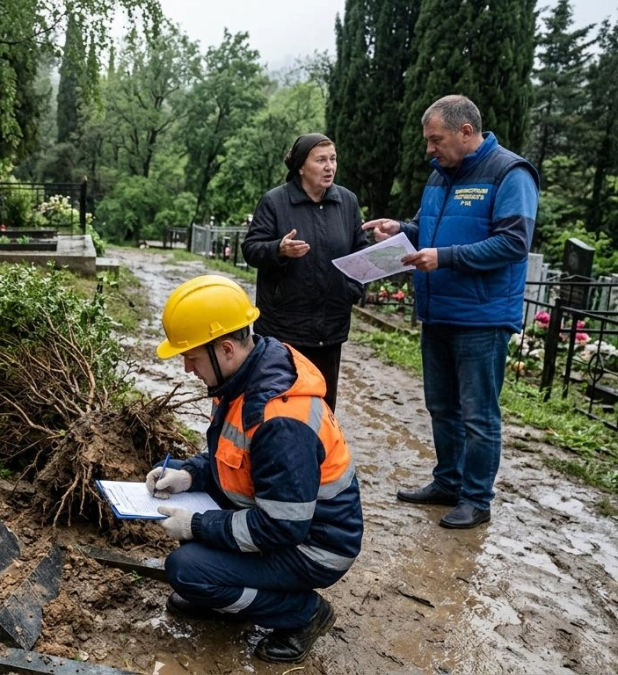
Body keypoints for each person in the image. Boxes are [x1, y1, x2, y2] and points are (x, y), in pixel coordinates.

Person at [146, 275, 363, 664]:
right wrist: (190, 475)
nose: (186, 369)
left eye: (192, 357)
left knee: (187, 569)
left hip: (315, 546)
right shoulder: (242, 376)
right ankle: (224, 591)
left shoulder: (279, 419)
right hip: (291, 525)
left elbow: (282, 526)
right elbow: (233, 460)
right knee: (197, 547)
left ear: (225, 349)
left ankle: (303, 615)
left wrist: (197, 525)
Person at [362, 95, 539, 530]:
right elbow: (429, 229)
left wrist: (446, 257)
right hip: (438, 311)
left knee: (478, 413)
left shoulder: (509, 173)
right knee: (441, 406)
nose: (429, 149)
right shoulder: (440, 176)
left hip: (481, 316)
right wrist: (400, 229)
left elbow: (514, 242)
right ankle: (448, 481)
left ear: (466, 131)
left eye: (435, 139)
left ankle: (476, 499)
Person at [241, 133, 369, 412]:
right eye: (320, 160)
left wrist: (353, 290)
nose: (329, 167)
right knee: (281, 405)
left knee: (322, 406)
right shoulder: (275, 201)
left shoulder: (347, 202)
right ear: (300, 166)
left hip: (330, 327)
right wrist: (279, 249)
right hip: (283, 327)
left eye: (333, 159)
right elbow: (250, 249)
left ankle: (320, 456)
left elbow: (360, 252)